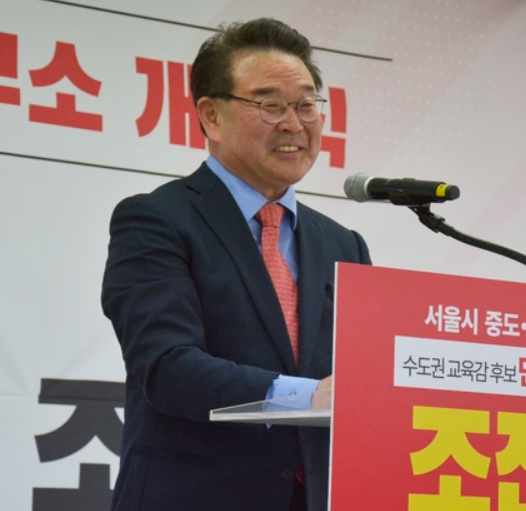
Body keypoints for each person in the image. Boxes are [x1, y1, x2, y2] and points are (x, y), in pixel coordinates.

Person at [101, 18, 371, 511]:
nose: (294, 124)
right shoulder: (156, 220)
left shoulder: (343, 245)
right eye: (271, 105)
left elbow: (363, 380)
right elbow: (166, 366)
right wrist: (309, 396)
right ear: (211, 116)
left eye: (306, 105)